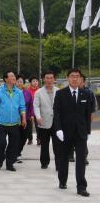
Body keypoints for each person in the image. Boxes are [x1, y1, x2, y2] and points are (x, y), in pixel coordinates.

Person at [53, 68, 91, 197]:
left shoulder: (85, 94)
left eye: (77, 76)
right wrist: (58, 129)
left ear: (80, 78)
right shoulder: (60, 94)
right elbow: (56, 113)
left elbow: (87, 115)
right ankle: (62, 180)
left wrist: (88, 131)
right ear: (68, 78)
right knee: (63, 158)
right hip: (64, 132)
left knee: (81, 159)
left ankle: (81, 187)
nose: (75, 78)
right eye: (72, 76)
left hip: (80, 133)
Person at [0, 70, 26, 172]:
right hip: (1, 122)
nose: (14, 78)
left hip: (14, 123)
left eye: (14, 76)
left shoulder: (19, 92)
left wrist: (23, 118)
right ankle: (0, 158)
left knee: (13, 145)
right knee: (1, 143)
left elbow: (22, 106)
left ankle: (10, 164)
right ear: (6, 79)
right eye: (12, 76)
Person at [33, 70, 60, 170]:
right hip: (43, 121)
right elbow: (36, 106)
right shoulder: (38, 92)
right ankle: (44, 162)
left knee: (58, 145)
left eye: (51, 78)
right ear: (43, 79)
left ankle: (59, 164)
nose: (49, 80)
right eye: (47, 78)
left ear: (54, 79)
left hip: (57, 122)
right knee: (44, 144)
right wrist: (38, 117)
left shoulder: (59, 91)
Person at [16, 75, 34, 160]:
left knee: (24, 137)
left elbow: (31, 105)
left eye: (21, 81)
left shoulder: (27, 92)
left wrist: (31, 115)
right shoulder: (13, 92)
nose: (19, 83)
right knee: (16, 137)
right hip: (15, 119)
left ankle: (18, 151)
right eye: (18, 81)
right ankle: (15, 153)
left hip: (26, 118)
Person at [28, 76, 40, 145]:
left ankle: (38, 139)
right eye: (33, 81)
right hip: (29, 111)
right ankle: (30, 139)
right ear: (30, 83)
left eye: (36, 81)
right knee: (29, 127)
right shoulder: (28, 91)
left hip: (37, 111)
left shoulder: (40, 90)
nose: (35, 82)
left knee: (38, 126)